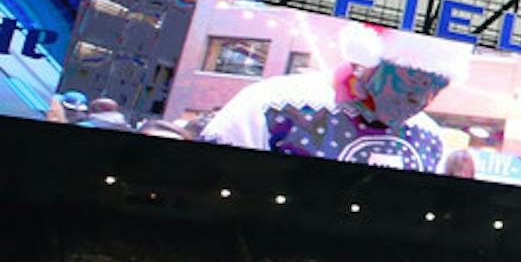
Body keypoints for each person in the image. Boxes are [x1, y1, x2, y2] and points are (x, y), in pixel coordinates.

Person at [201, 24, 470, 172]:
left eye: (437, 86)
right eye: (414, 78)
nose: (422, 98)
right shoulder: (271, 105)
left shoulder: (430, 137)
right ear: (369, 61)